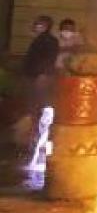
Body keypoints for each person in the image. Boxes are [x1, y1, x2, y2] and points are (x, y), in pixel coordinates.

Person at [21, 15, 59, 145]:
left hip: (40, 78)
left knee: (41, 106)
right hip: (33, 76)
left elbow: (49, 59)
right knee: (35, 106)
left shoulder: (48, 40)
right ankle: (36, 136)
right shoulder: (40, 39)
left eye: (39, 24)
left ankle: (43, 137)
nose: (36, 26)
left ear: (46, 25)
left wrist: (43, 75)